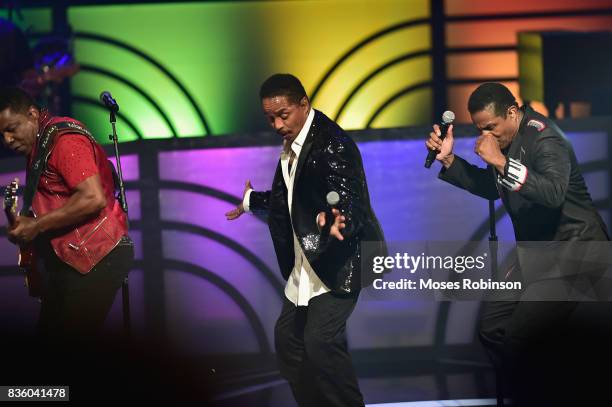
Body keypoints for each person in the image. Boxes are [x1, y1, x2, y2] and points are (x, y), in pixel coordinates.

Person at [426, 82, 611, 406]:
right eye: (480, 129)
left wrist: (499, 161)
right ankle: (539, 389)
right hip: (538, 251)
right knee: (493, 326)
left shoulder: (545, 137)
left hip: (576, 249)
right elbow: (494, 187)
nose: (486, 136)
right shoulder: (508, 139)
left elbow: (552, 194)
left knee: (522, 337)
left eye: (491, 127)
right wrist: (449, 161)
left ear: (512, 113)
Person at [225, 73, 385, 406]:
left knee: (321, 343)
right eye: (270, 118)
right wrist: (251, 201)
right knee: (289, 345)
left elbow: (353, 200)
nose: (277, 124)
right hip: (307, 264)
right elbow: (289, 199)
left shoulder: (333, 144)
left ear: (303, 104)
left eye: (283, 115)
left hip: (339, 262)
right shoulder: (293, 145)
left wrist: (341, 219)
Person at [0, 86, 133, 342]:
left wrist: (36, 227)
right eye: (1, 134)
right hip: (74, 259)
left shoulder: (64, 141)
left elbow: (92, 198)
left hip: (99, 255)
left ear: (32, 114)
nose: (7, 140)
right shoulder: (39, 146)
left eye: (12, 129)